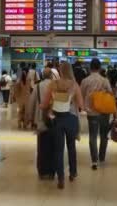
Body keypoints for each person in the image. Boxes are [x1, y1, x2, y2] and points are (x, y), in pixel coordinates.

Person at [41, 62, 85, 190]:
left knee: (58, 150)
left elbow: (44, 104)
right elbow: (81, 105)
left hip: (57, 119)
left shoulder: (53, 84)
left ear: (60, 71)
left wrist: (48, 106)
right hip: (71, 119)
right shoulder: (74, 85)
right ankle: (72, 173)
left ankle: (60, 178)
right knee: (71, 147)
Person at [80, 59, 113, 170]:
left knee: (93, 136)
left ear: (90, 67)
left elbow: (82, 94)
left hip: (92, 112)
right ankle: (102, 157)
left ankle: (94, 161)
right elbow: (110, 93)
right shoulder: (104, 80)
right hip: (104, 111)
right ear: (99, 68)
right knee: (104, 135)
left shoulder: (85, 81)